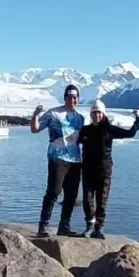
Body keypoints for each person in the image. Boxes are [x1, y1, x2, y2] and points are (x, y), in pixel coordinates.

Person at [77, 100, 139, 239]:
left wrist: (137, 119)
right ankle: (89, 226)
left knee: (102, 200)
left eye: (99, 112)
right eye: (94, 112)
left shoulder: (109, 129)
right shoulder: (85, 130)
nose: (96, 115)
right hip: (88, 169)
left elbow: (130, 133)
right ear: (91, 114)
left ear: (103, 114)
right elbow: (72, 141)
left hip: (104, 170)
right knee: (88, 200)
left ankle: (99, 228)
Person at [30, 84, 86, 237]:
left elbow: (83, 139)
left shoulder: (81, 118)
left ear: (78, 99)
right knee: (54, 191)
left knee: (71, 194)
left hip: (75, 160)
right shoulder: (53, 113)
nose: (72, 100)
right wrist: (35, 115)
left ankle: (64, 226)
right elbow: (35, 129)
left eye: (75, 97)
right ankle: (43, 226)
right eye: (69, 97)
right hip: (57, 157)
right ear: (65, 98)